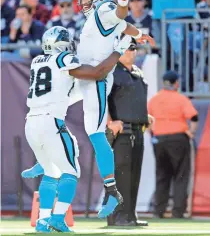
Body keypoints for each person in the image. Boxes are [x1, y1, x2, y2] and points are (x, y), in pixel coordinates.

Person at [22, 0, 155, 219]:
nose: (82, 2)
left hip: (96, 79)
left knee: (95, 133)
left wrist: (123, 0)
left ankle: (112, 190)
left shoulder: (104, 9)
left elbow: (118, 12)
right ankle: (46, 158)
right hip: (84, 76)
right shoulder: (99, 18)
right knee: (52, 106)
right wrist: (140, 34)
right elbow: (124, 25)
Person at [25, 26, 132, 232]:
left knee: (51, 172)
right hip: (51, 121)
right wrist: (119, 50)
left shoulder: (36, 61)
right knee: (71, 172)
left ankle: (42, 220)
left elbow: (65, 89)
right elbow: (96, 73)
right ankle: (57, 218)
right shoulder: (63, 59)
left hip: (31, 122)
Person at [106, 39, 151, 227]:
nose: (132, 51)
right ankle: (116, 216)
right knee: (120, 174)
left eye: (134, 48)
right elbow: (102, 99)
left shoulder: (137, 72)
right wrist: (109, 122)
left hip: (137, 130)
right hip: (120, 132)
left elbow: (133, 99)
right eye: (128, 48)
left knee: (133, 175)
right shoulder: (111, 72)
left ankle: (130, 215)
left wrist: (145, 115)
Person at [147, 71, 198, 218]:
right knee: (181, 175)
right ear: (176, 83)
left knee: (162, 175)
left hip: (159, 139)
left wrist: (153, 132)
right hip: (178, 139)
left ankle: (159, 210)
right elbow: (194, 117)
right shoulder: (180, 99)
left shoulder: (154, 100)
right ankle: (178, 211)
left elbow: (146, 119)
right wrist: (191, 132)